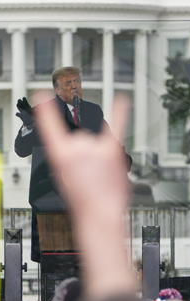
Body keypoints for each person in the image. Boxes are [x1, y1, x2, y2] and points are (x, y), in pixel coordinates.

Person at [13, 67, 131, 263]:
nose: (74, 86)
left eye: (77, 81)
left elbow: (109, 143)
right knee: (54, 265)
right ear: (57, 90)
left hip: (89, 199)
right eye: (68, 83)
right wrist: (29, 126)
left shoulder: (93, 111)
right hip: (51, 201)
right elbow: (21, 150)